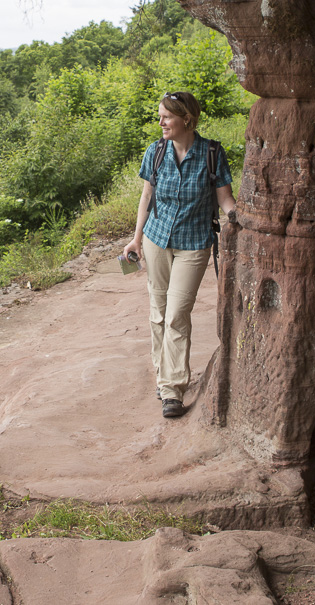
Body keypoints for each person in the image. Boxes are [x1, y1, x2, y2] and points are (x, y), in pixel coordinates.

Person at [122, 91, 238, 419]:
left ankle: (172, 389)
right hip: (156, 240)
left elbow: (225, 199)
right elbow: (147, 196)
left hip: (194, 244)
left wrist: (238, 217)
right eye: (160, 116)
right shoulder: (156, 152)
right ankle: (165, 379)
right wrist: (136, 240)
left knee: (175, 314)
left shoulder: (212, 153)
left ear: (186, 118)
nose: (160, 123)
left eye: (166, 117)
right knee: (158, 312)